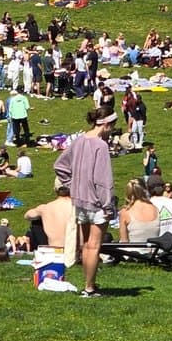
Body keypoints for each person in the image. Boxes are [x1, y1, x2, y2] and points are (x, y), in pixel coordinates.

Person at [55, 107, 116, 296]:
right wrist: (108, 204)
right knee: (94, 246)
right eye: (112, 126)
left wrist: (72, 185)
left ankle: (89, 285)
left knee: (86, 244)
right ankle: (89, 286)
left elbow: (60, 165)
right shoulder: (101, 145)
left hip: (79, 200)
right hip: (97, 202)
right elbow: (104, 179)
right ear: (105, 124)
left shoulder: (79, 140)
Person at [22, 186, 77, 264]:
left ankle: (40, 247)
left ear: (56, 193)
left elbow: (27, 216)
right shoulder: (78, 207)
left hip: (55, 250)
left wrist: (40, 212)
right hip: (75, 249)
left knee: (36, 221)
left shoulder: (46, 207)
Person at [118, 178, 160, 243]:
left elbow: (124, 241)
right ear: (145, 190)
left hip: (134, 252)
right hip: (154, 251)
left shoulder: (125, 212)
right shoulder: (155, 208)